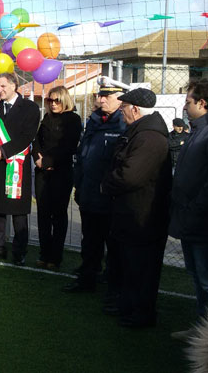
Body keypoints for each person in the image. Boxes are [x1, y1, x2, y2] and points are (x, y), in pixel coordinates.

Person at [168, 79, 208, 338]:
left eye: (187, 102)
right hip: (189, 218)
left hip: (204, 221)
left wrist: (197, 209)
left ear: (202, 103)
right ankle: (201, 328)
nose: (185, 107)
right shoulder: (199, 130)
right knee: (197, 276)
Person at [100, 87, 171, 328]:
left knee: (141, 269)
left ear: (135, 109)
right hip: (131, 215)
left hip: (141, 217)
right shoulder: (140, 133)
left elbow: (130, 176)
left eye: (124, 107)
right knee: (129, 266)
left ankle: (140, 314)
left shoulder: (149, 138)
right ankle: (127, 307)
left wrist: (105, 185)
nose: (121, 111)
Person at [63, 78, 127, 293]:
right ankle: (88, 278)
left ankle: (112, 283)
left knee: (114, 244)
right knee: (89, 241)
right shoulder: (94, 120)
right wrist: (79, 185)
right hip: (89, 192)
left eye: (105, 96)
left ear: (119, 99)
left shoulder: (124, 123)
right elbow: (83, 156)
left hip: (109, 196)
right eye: (100, 96)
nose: (100, 100)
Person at [0, 73, 40, 266]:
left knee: (18, 212)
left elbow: (27, 136)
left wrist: (4, 151)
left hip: (17, 164)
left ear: (14, 86)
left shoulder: (30, 108)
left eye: (3, 86)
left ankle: (19, 251)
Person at [31, 85, 82, 271]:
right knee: (43, 214)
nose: (53, 104)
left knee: (58, 215)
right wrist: (38, 158)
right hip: (42, 172)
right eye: (49, 101)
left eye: (56, 100)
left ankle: (55, 256)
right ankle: (44, 254)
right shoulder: (46, 118)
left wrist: (49, 161)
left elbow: (69, 146)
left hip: (61, 172)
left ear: (64, 100)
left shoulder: (73, 119)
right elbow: (36, 141)